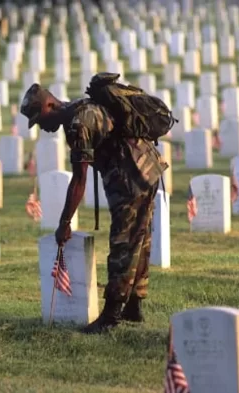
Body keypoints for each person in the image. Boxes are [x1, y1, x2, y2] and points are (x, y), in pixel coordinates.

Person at [20, 78, 169, 334]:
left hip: (130, 178)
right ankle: (134, 306)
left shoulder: (78, 123)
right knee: (140, 239)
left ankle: (111, 315)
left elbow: (79, 179)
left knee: (123, 244)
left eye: (39, 118)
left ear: (50, 104)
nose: (41, 126)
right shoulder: (80, 107)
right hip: (146, 168)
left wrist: (65, 223)